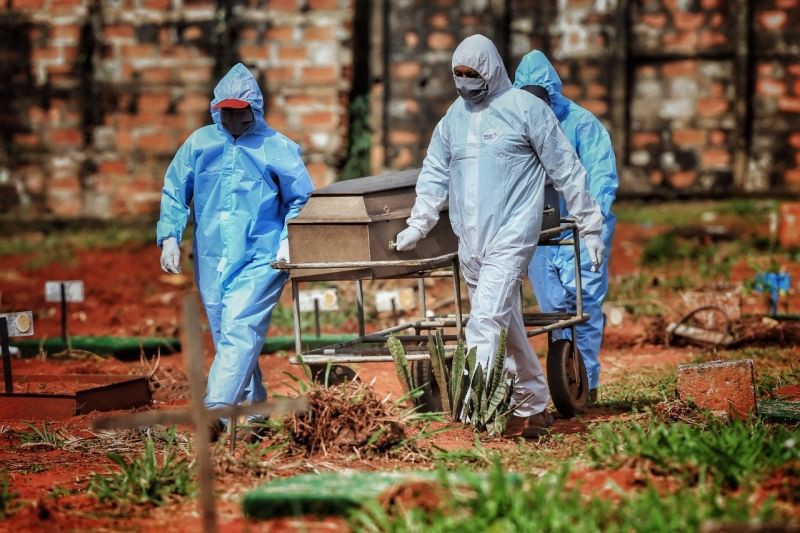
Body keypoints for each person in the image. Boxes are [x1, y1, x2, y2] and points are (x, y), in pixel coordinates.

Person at [394, 35, 604, 438]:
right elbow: (434, 171)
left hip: (512, 233)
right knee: (504, 322)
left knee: (485, 322)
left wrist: (590, 225)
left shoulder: (525, 109)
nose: (464, 81)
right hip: (469, 239)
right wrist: (419, 223)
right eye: (457, 73)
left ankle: (476, 416)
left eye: (471, 73)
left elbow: (566, 168)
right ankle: (533, 403)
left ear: (490, 70)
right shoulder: (453, 118)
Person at [156, 63, 314, 439]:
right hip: (211, 257)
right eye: (226, 112)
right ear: (216, 110)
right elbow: (176, 189)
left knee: (240, 329)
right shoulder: (200, 144)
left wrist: (289, 240)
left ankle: (215, 413)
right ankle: (256, 414)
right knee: (228, 333)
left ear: (254, 110)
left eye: (240, 113)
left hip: (263, 257)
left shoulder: (277, 147)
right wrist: (169, 236)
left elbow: (302, 199)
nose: (233, 120)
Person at [514, 50, 618, 402]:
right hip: (541, 234)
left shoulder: (582, 124)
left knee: (583, 308)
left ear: (552, 94)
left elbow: (601, 177)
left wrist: (592, 222)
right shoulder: (517, 123)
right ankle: (566, 382)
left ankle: (587, 386)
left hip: (581, 231)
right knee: (555, 314)